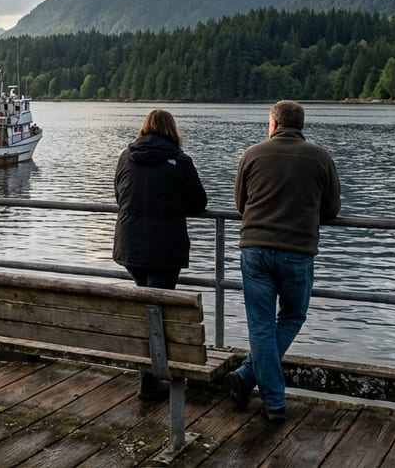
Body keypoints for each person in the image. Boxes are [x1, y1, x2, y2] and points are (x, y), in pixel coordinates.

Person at [227, 100, 340, 421]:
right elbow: (331, 210)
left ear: (274, 124)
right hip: (298, 251)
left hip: (255, 249)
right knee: (291, 316)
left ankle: (250, 377)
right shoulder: (321, 158)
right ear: (300, 126)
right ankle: (272, 400)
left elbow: (240, 204)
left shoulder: (252, 154)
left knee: (261, 326)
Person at [113, 109, 208, 400]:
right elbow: (199, 203)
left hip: (130, 248)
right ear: (172, 131)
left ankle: (150, 377)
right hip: (165, 250)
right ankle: (150, 381)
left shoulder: (126, 156)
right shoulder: (180, 161)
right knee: (158, 311)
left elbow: (118, 195)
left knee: (149, 307)